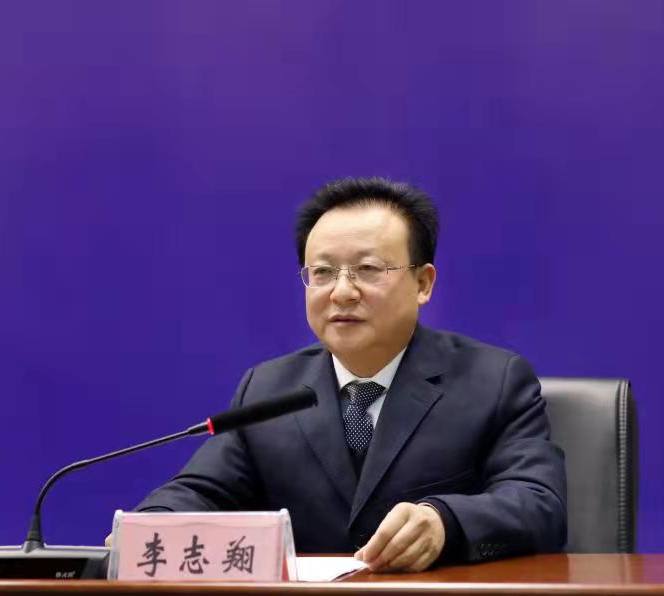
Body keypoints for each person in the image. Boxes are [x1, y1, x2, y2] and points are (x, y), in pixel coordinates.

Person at [135, 177, 567, 571]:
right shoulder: (267, 388)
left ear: (423, 284)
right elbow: (198, 493)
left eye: (368, 269)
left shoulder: (493, 381)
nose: (342, 292)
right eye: (322, 272)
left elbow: (539, 505)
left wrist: (445, 522)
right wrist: (148, 529)